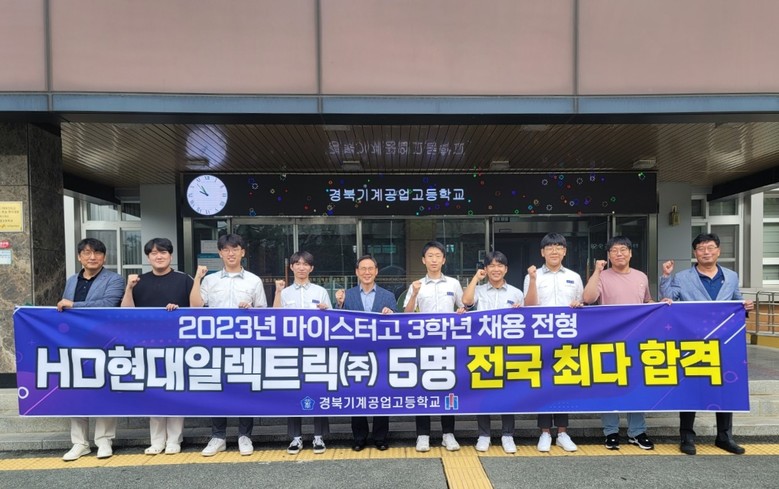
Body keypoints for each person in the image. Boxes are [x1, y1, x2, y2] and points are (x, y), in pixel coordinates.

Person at [660, 233, 754, 455]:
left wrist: (745, 306)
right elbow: (670, 297)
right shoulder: (682, 277)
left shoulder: (731, 276)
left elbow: (736, 300)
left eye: (710, 247)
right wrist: (666, 277)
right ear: (695, 253)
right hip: (693, 341)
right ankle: (687, 437)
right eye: (701, 248)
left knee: (725, 387)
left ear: (718, 251)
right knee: (690, 386)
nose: (706, 252)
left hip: (724, 342)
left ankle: (724, 437)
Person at [190, 233, 267, 457]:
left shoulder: (254, 280)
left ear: (243, 252)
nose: (231, 253)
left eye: (235, 249)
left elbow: (264, 313)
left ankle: (245, 435)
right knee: (217, 388)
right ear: (220, 253)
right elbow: (195, 307)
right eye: (226, 249)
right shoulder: (210, 280)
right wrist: (197, 278)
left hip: (245, 344)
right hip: (216, 344)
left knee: (245, 388)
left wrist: (250, 309)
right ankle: (218, 436)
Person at [582, 236, 656, 451]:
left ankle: (637, 431)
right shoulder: (602, 276)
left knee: (636, 386)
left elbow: (647, 302)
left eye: (623, 249)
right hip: (609, 341)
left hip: (636, 340)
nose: (619, 254)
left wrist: (660, 304)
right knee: (609, 386)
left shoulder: (641, 276)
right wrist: (596, 271)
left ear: (630, 253)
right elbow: (588, 298)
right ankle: (611, 431)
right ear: (608, 255)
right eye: (614, 250)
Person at [121, 237, 194, 456]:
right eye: (153, 253)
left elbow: (197, 309)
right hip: (146, 345)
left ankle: (174, 440)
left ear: (171, 255)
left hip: (177, 345)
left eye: (163, 252)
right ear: (148, 257)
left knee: (175, 391)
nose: (158, 256)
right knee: (154, 392)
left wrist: (178, 310)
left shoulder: (184, 280)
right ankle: (157, 441)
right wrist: (128, 288)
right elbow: (126, 312)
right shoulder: (139, 281)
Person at [57, 238, 124, 461]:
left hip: (104, 341)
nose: (92, 257)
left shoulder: (114, 279)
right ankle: (79, 443)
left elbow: (108, 304)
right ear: (79, 257)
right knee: (76, 390)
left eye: (97, 253)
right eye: (86, 253)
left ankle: (104, 440)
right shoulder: (71, 280)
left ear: (104, 257)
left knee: (104, 389)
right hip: (75, 342)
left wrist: (74, 305)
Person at [523, 233, 583, 453]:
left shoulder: (574, 277)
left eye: (558, 247)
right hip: (541, 339)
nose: (554, 251)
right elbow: (529, 305)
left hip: (567, 339)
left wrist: (578, 304)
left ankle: (563, 433)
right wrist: (532, 280)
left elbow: (582, 303)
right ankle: (545, 432)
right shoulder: (533, 275)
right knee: (544, 385)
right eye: (549, 247)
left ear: (564, 251)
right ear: (542, 252)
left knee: (563, 384)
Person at [403, 240, 465, 452]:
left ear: (444, 259)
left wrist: (461, 312)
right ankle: (423, 435)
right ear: (423, 260)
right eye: (430, 256)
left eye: (438, 256)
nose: (434, 260)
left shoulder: (453, 284)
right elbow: (407, 314)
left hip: (449, 345)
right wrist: (414, 294)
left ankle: (448, 434)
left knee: (448, 387)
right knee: (423, 388)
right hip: (424, 344)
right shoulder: (417, 285)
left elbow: (464, 308)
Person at [462, 250, 522, 454]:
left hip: (508, 350)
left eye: (500, 266)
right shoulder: (478, 291)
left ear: (506, 269)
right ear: (485, 269)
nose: (496, 269)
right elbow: (466, 302)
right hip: (482, 350)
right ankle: (484, 434)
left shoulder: (516, 293)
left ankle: (507, 435)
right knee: (483, 393)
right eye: (492, 266)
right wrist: (475, 279)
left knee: (508, 393)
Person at [334, 255, 397, 451]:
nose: (367, 272)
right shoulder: (348, 295)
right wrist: (339, 304)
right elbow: (337, 322)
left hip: (381, 354)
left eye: (370, 268)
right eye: (363, 268)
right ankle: (359, 437)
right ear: (357, 272)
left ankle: (380, 437)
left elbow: (397, 324)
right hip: (356, 352)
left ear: (376, 271)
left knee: (381, 393)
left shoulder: (388, 296)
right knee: (357, 393)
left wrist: (391, 315)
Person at [273, 251, 332, 455]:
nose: (301, 267)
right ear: (291, 267)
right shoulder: (285, 292)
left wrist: (326, 310)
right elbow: (275, 317)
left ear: (311, 268)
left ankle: (319, 436)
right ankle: (295, 437)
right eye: (297, 264)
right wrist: (278, 292)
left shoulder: (320, 291)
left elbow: (331, 320)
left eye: (305, 264)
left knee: (318, 390)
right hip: (291, 350)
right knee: (294, 391)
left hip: (316, 350)